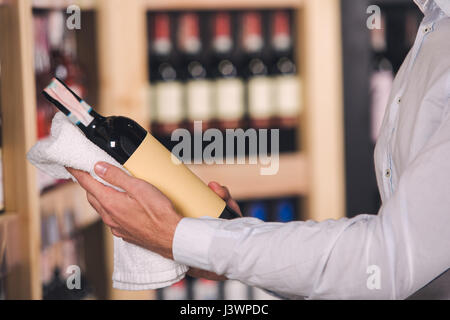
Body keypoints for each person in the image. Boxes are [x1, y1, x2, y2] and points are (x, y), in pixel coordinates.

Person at [68, 0, 450, 299]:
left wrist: (183, 238)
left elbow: (386, 261)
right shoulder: (434, 28)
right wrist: (224, 242)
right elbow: (381, 258)